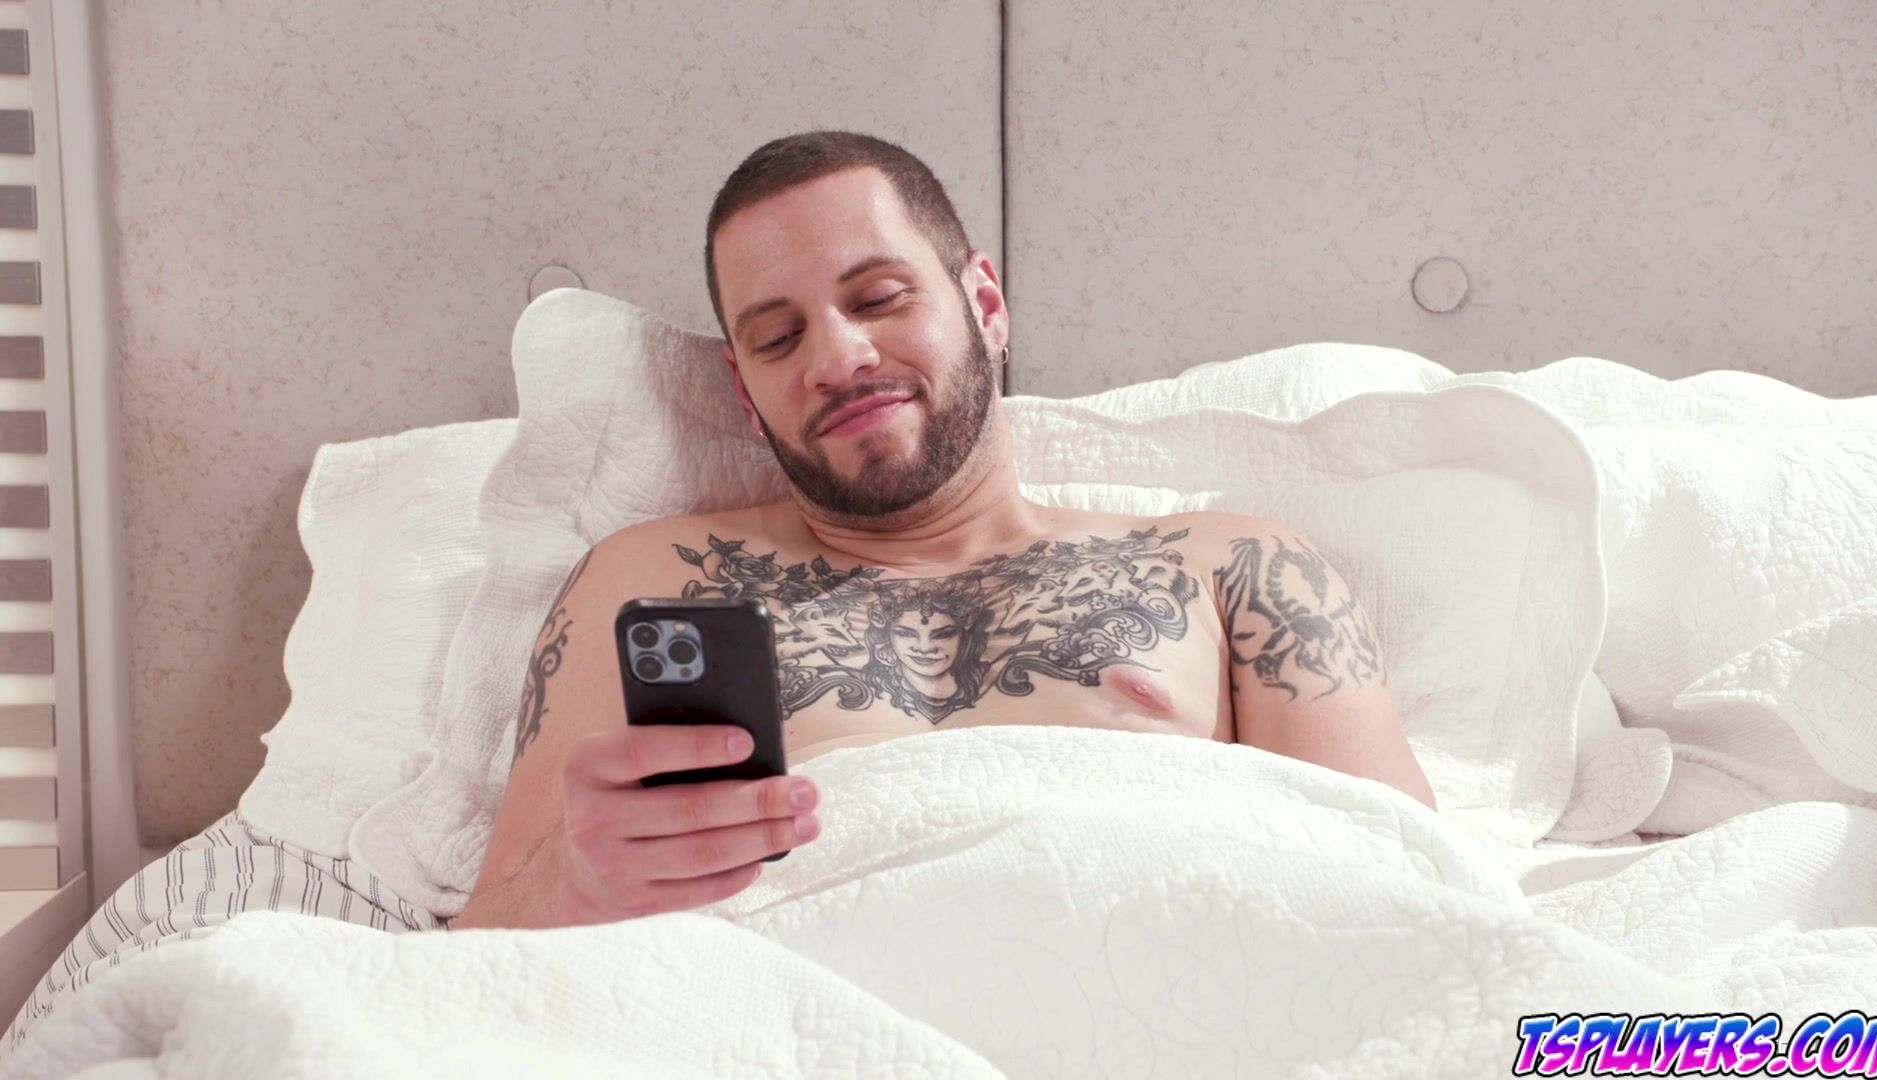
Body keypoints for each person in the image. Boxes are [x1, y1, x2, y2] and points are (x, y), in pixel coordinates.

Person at [454, 131, 1435, 931]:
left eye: (878, 298)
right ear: (745, 396)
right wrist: (567, 884)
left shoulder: (1238, 567)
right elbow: (484, 943)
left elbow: (1415, 891)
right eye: (779, 338)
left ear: (986, 306)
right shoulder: (653, 580)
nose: (838, 357)